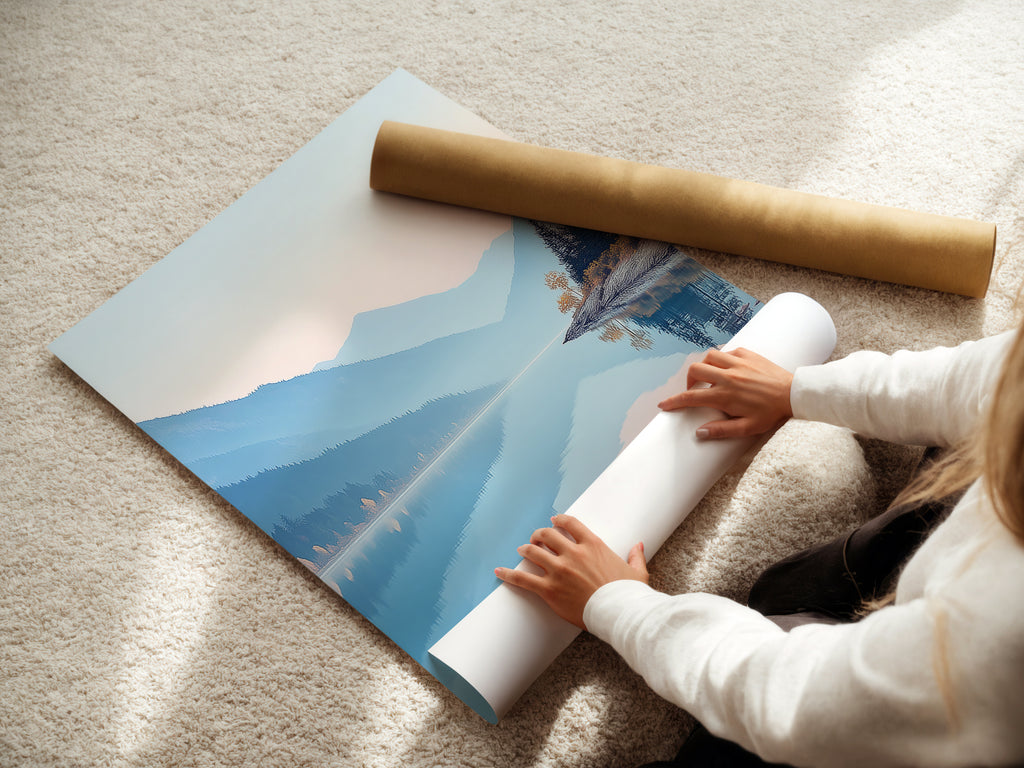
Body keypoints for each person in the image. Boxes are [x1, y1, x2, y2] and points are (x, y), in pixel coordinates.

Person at [495, 323, 1024, 767]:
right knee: (786, 591)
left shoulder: (999, 638)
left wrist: (618, 604)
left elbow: (794, 701)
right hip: (953, 611)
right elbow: (983, 378)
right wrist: (796, 390)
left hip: (953, 718)